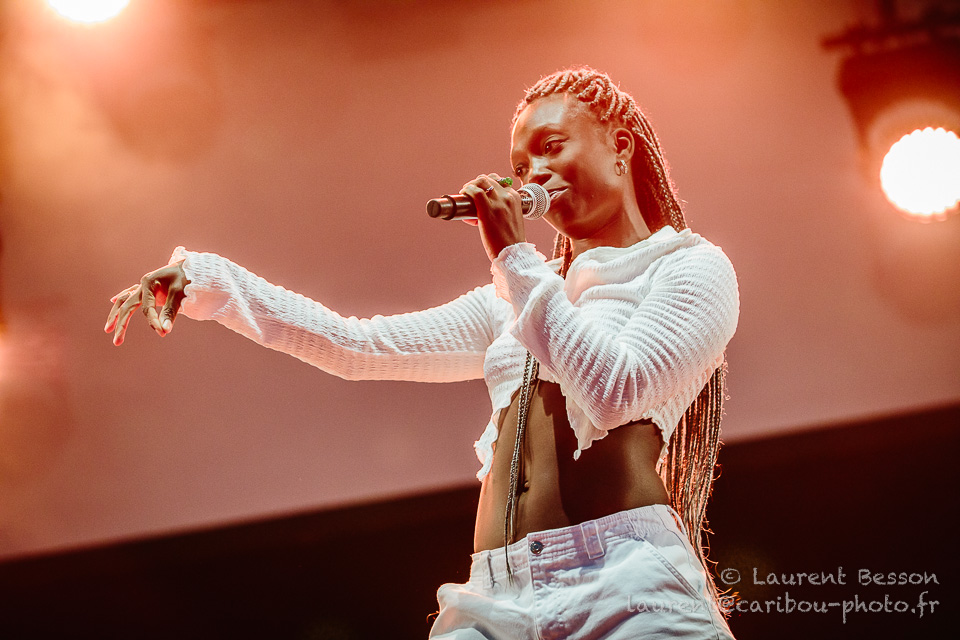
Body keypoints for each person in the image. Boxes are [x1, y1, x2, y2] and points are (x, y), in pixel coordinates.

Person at [106, 67, 739, 639]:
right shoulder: (513, 294)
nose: (534, 176)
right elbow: (359, 347)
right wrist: (211, 280)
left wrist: (513, 257)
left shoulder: (688, 268)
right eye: (521, 167)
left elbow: (616, 392)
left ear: (621, 146)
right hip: (499, 594)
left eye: (552, 147)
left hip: (626, 584)